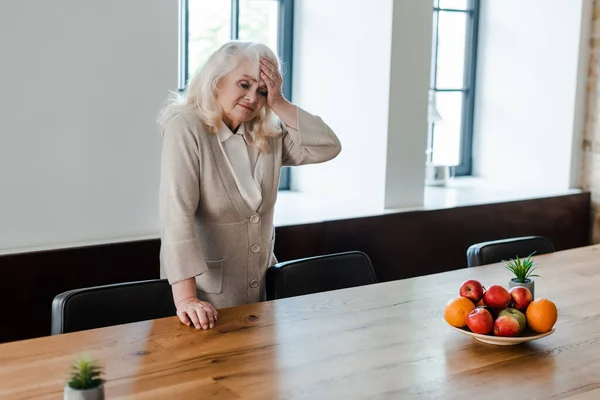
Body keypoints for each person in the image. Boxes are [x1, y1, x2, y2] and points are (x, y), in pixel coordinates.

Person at [158, 41, 341, 330]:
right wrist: (186, 300)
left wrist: (279, 102)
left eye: (263, 91)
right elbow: (176, 216)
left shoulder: (267, 134)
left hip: (264, 297)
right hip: (204, 304)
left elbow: (328, 147)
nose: (252, 97)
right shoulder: (186, 127)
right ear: (216, 81)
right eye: (244, 84)